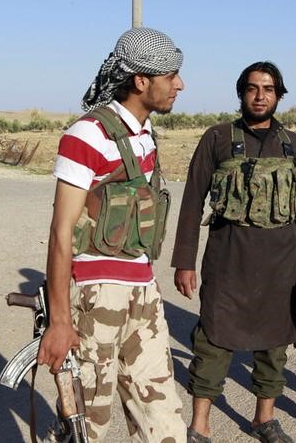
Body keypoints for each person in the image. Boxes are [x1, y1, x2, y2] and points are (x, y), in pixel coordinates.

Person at [36, 27, 187, 442]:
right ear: (141, 81)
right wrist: (61, 321)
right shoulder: (86, 134)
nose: (180, 84)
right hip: (95, 298)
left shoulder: (145, 134)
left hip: (143, 296)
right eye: (170, 76)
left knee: (166, 422)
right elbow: (61, 232)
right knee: (88, 426)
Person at [171, 61, 296, 443]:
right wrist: (184, 262)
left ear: (279, 96)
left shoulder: (293, 144)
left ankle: (263, 419)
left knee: (275, 344)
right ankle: (200, 425)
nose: (260, 96)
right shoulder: (217, 138)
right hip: (228, 260)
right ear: (241, 93)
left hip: (282, 263)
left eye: (268, 89)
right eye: (252, 88)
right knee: (213, 340)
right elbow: (191, 202)